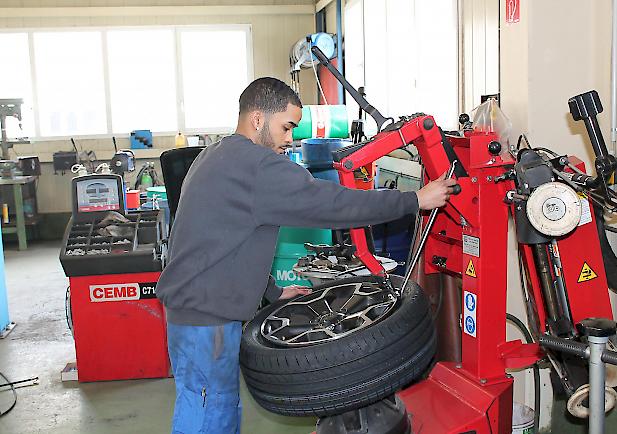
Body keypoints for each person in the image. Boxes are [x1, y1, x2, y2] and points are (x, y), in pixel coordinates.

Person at [156, 77, 457, 434]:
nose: (290, 138)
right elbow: (333, 204)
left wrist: (271, 293)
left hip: (193, 312)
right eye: (286, 127)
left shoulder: (217, 155)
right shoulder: (257, 165)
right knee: (209, 410)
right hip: (205, 320)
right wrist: (415, 200)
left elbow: (224, 239)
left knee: (208, 402)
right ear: (257, 119)